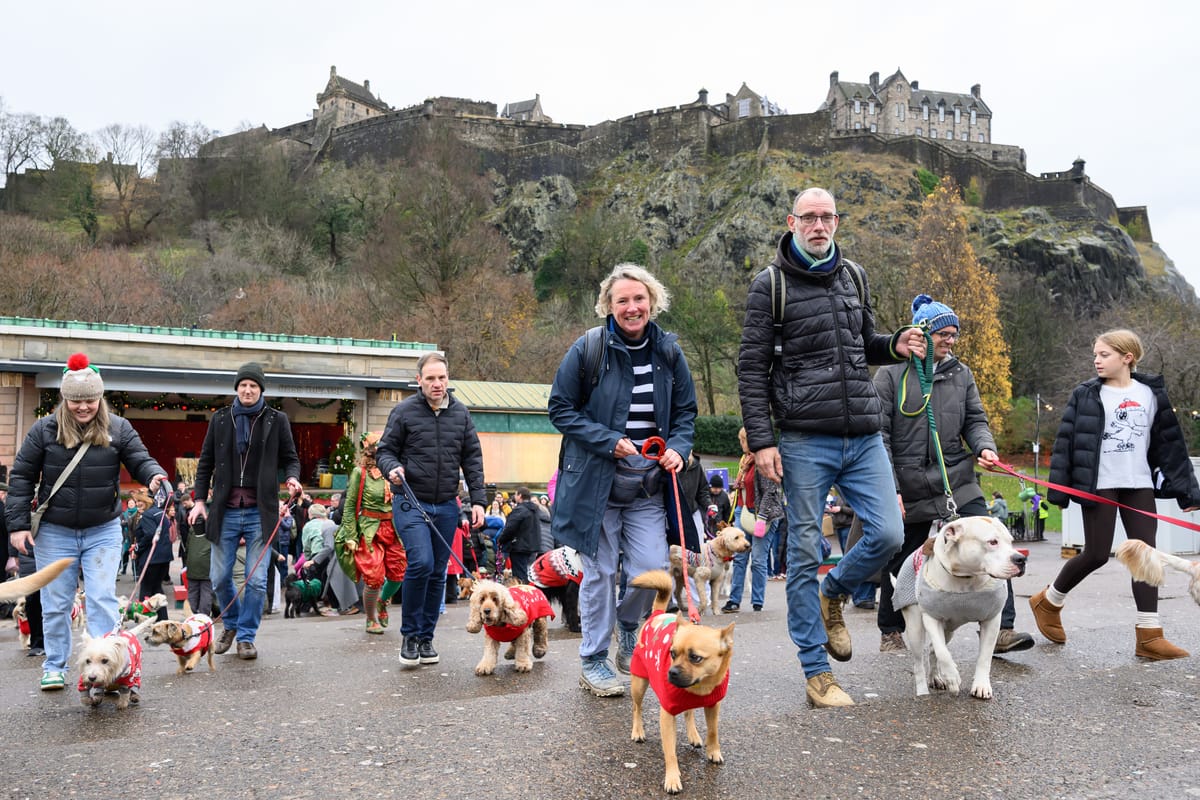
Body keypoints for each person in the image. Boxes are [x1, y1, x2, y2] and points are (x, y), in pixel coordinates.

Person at [737, 188, 925, 708]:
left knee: (889, 533)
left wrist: (895, 345)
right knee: (801, 553)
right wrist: (763, 440)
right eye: (809, 217)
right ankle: (817, 671)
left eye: (827, 217)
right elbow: (751, 370)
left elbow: (862, 343)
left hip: (863, 433)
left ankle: (835, 591)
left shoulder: (855, 276)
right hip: (801, 438)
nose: (819, 225)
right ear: (792, 222)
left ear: (837, 222)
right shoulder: (769, 286)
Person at [548, 262, 697, 698]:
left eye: (639, 299)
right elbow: (559, 408)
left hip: (647, 484)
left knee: (651, 572)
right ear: (608, 307)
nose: (632, 308)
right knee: (599, 574)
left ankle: (628, 627)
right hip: (596, 483)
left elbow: (686, 413)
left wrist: (679, 448)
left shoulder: (669, 352)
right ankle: (593, 659)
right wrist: (607, 440)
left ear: (652, 301)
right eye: (622, 301)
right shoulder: (588, 349)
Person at [873, 295, 1034, 655]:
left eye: (954, 335)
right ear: (923, 334)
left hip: (956, 480)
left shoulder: (961, 374)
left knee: (993, 541)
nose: (949, 340)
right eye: (943, 334)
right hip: (908, 481)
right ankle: (891, 629)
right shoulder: (889, 374)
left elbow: (975, 420)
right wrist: (890, 488)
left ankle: (1002, 628)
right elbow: (879, 433)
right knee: (900, 556)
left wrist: (984, 447)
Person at [1032, 329, 1200, 660]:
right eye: (1095, 354)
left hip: (1138, 483)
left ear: (1128, 358)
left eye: (1104, 354)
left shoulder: (1151, 394)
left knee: (1146, 555)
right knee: (1095, 554)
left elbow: (1171, 446)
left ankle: (1149, 635)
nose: (1096, 360)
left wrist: (1188, 491)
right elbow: (1066, 444)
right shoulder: (1086, 394)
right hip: (1099, 484)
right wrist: (1059, 492)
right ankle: (1048, 601)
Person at [6, 353, 167, 691]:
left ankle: (111, 670)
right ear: (64, 398)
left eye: (90, 400)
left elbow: (140, 459)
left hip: (103, 529)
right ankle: (55, 665)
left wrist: (154, 475)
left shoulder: (118, 427)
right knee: (56, 603)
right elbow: (20, 476)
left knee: (101, 600)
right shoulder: (44, 429)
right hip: (54, 530)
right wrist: (18, 525)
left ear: (100, 397)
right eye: (75, 400)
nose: (83, 407)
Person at [376, 352, 487, 668]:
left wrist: (477, 501)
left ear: (447, 379)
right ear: (419, 381)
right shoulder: (404, 412)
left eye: (442, 378)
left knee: (439, 571)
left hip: (447, 505)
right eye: (430, 379)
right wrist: (393, 467)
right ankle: (409, 635)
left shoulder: (461, 414)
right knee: (421, 562)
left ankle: (426, 638)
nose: (437, 384)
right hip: (410, 500)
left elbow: (473, 461)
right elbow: (385, 451)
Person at [189, 362, 302, 661]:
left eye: (254, 385)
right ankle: (232, 624)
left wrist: (292, 478)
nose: (248, 390)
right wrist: (200, 500)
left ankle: (246, 637)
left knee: (255, 580)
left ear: (261, 389)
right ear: (236, 389)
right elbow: (205, 462)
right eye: (243, 385)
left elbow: (290, 457)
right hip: (224, 511)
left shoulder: (276, 420)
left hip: (259, 512)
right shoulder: (221, 419)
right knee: (219, 577)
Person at [334, 431, 407, 635]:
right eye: (376, 446)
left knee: (397, 574)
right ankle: (370, 618)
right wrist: (349, 533)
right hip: (369, 529)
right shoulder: (360, 473)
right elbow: (349, 505)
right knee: (374, 575)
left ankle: (383, 602)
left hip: (392, 528)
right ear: (368, 450)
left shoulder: (397, 469)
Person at [725, 428, 785, 613]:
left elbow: (770, 491)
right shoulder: (745, 461)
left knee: (758, 560)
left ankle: (757, 601)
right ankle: (734, 600)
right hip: (743, 512)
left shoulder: (763, 461)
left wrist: (762, 518)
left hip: (762, 515)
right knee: (740, 559)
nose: (740, 444)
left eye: (742, 441)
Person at [178, 492, 213, 619]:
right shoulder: (211, 531)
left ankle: (191, 616)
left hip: (192, 565)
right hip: (207, 565)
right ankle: (203, 617)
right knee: (206, 592)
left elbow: (187, 547)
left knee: (192, 592)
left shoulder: (192, 531)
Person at [496, 487, 542, 585]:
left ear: (520, 496)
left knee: (519, 575)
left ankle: (522, 596)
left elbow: (510, 528)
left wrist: (501, 539)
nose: (515, 497)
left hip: (519, 546)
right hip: (532, 546)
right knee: (528, 573)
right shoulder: (534, 510)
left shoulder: (520, 510)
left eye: (516, 494)